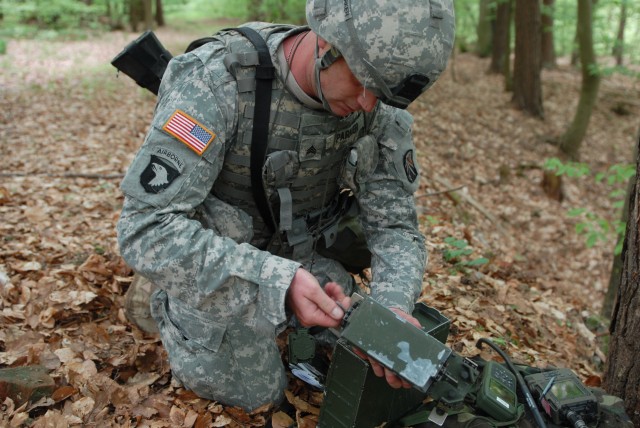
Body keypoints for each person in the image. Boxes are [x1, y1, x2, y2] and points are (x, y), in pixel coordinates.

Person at [116, 0, 455, 412]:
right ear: (327, 42)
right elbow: (144, 228)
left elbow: (395, 227)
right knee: (258, 395)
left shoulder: (377, 107)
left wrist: (391, 308)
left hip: (305, 258)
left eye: (382, 93)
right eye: (363, 81)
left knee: (373, 363)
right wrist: (276, 284)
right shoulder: (216, 81)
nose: (369, 104)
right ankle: (167, 296)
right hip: (221, 256)